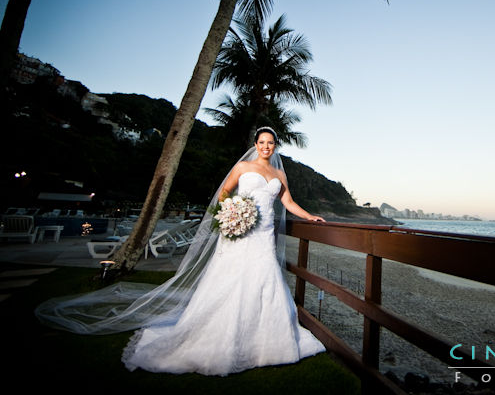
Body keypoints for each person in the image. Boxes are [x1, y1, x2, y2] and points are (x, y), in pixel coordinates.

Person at [36, 126, 327, 376]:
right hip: (241, 231)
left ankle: (267, 341)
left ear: (275, 146)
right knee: (233, 281)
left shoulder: (278, 173)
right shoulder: (242, 168)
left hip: (263, 235)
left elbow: (287, 201)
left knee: (266, 279)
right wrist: (232, 213)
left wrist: (309, 216)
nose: (266, 147)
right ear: (255, 145)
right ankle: (221, 337)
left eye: (270, 143)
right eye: (261, 142)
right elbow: (224, 194)